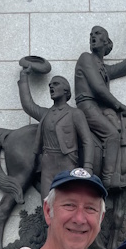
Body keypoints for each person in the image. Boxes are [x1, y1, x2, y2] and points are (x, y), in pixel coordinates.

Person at [74, 21, 126, 190]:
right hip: (87, 106)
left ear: (106, 42)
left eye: (97, 34)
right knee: (111, 135)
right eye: (91, 34)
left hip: (98, 108)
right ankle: (108, 178)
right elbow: (98, 88)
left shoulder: (103, 68)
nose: (92, 36)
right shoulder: (86, 58)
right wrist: (119, 105)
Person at [18, 68, 95, 200]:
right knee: (46, 203)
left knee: (66, 202)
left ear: (66, 90)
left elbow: (87, 140)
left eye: (56, 84)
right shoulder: (45, 114)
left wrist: (88, 166)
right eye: (50, 85)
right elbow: (28, 105)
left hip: (67, 163)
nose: (51, 87)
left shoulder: (75, 114)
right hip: (47, 165)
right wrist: (24, 77)